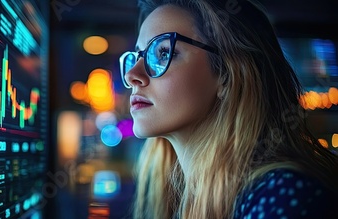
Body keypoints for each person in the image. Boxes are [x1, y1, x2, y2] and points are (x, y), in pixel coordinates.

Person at [118, 0, 338, 218]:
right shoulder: (179, 204)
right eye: (136, 56)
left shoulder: (284, 197)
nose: (132, 75)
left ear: (226, 74)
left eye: (163, 53)